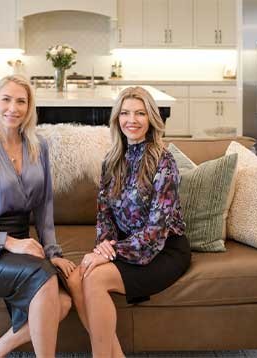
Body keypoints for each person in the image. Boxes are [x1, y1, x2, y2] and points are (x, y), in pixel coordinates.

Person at [0, 74, 75, 358]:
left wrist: (52, 251)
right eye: (6, 99)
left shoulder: (38, 147)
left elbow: (44, 205)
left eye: (21, 101)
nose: (13, 108)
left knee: (64, 303)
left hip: (22, 243)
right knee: (44, 278)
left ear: (29, 107)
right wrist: (10, 243)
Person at [67, 86, 191, 357]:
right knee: (76, 280)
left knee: (94, 279)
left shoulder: (163, 161)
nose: (131, 120)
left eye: (139, 113)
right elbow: (104, 216)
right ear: (116, 119)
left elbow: (156, 233)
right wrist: (104, 248)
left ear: (151, 119)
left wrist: (109, 255)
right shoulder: (111, 161)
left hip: (163, 250)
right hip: (124, 245)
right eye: (124, 113)